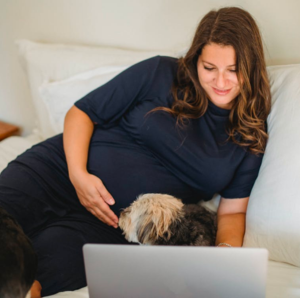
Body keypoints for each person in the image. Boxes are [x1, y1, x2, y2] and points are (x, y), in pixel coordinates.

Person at [0, 6, 271, 297]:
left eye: (233, 70)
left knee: (28, 281)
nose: (220, 82)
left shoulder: (249, 136)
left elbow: (232, 212)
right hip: (57, 171)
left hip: (111, 225)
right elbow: (82, 112)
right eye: (209, 68)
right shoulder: (160, 72)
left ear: (251, 67)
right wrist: (79, 176)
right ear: (196, 61)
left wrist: (224, 257)